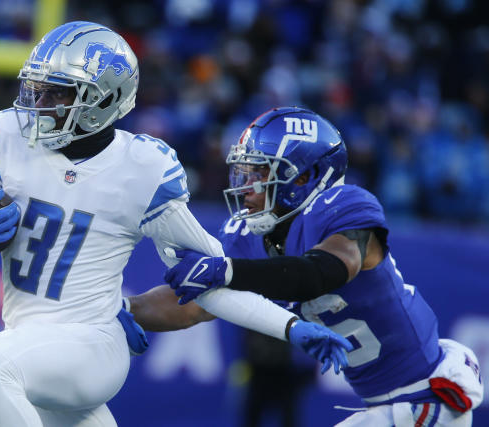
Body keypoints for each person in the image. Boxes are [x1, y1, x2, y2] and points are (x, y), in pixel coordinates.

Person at [0, 24, 352, 427]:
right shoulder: (8, 135)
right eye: (35, 89)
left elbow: (211, 276)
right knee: (3, 368)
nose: (38, 105)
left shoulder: (142, 169)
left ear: (105, 100)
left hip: (92, 344)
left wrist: (289, 327)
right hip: (32, 346)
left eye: (56, 94)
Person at [163, 107, 484, 426]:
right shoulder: (248, 236)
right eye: (245, 172)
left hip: (425, 397)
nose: (247, 187)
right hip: (388, 405)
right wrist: (121, 311)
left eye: (260, 173)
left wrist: (228, 271)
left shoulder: (343, 206)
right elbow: (193, 304)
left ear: (304, 177)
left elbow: (320, 273)